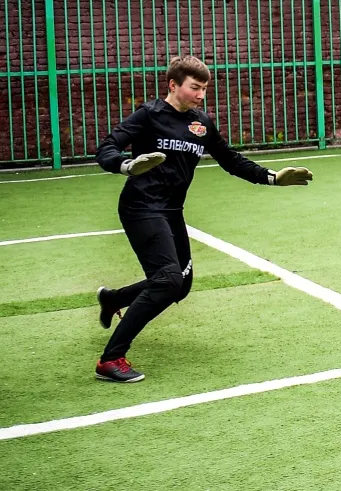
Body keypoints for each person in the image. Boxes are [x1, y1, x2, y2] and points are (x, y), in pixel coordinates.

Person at [93, 55, 314, 382]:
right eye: (195, 88)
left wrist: (271, 177)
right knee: (168, 279)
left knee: (180, 285)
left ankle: (114, 298)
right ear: (173, 85)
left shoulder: (201, 123)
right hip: (141, 206)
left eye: (204, 88)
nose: (201, 95)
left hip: (171, 210)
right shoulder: (149, 115)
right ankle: (110, 360)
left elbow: (231, 160)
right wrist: (126, 165)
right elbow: (107, 147)